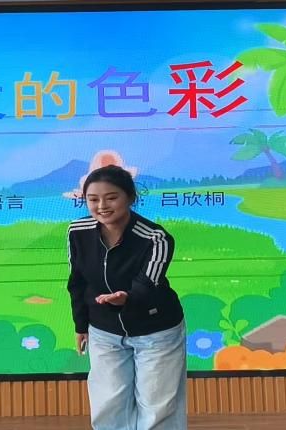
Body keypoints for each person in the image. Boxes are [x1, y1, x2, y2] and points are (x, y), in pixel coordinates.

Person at [66, 165, 187, 430]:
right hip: (104, 330)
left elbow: (148, 284)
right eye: (93, 199)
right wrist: (81, 325)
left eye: (111, 198)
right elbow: (77, 282)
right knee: (108, 405)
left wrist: (127, 298)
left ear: (130, 197)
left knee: (157, 408)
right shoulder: (77, 231)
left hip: (156, 330)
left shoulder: (156, 237)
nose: (102, 206)